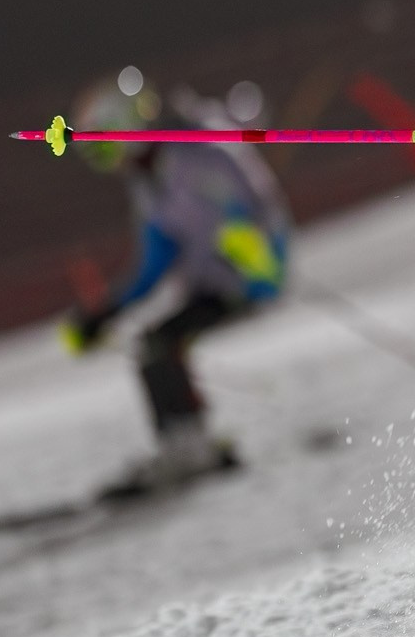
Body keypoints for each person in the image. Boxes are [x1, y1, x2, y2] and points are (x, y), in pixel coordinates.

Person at [61, 73, 292, 493]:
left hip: (246, 277)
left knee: (161, 342)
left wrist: (254, 250)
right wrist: (107, 310)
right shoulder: (150, 182)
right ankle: (186, 444)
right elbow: (156, 260)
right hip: (211, 281)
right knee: (154, 342)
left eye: (104, 144)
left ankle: (191, 448)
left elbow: (249, 201)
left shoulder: (191, 154)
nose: (104, 158)